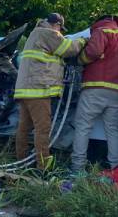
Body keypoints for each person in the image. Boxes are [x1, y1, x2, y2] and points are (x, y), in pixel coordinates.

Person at [70, 15, 118, 172]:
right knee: (114, 130)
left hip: (96, 86)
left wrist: (79, 60)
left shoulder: (101, 31)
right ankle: (117, 168)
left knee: (83, 126)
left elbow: (93, 52)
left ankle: (77, 168)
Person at [14, 13, 84, 169]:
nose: (61, 32)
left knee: (24, 128)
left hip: (25, 90)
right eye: (60, 28)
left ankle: (21, 161)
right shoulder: (48, 33)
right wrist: (82, 41)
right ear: (56, 24)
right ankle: (44, 167)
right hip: (38, 90)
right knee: (43, 128)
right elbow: (68, 49)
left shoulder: (35, 34)